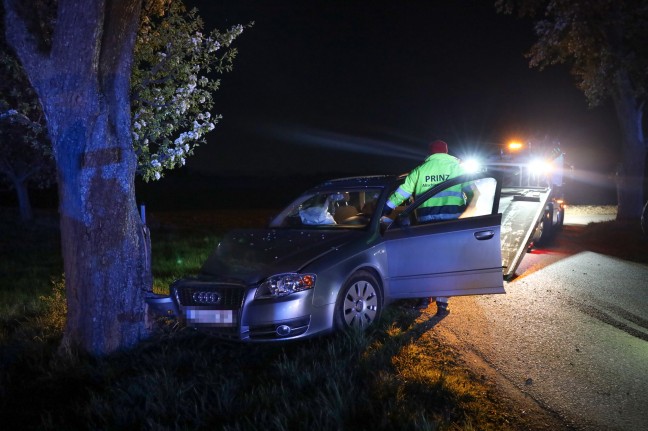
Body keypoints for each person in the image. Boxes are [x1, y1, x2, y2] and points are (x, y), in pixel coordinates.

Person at [380, 139, 470, 315]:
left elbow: (402, 192)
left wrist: (386, 208)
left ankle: (424, 298)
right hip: (451, 224)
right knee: (447, 264)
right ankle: (442, 305)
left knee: (427, 261)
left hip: (425, 224)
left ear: (430, 153)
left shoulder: (420, 170)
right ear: (446, 152)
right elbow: (475, 192)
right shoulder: (458, 169)